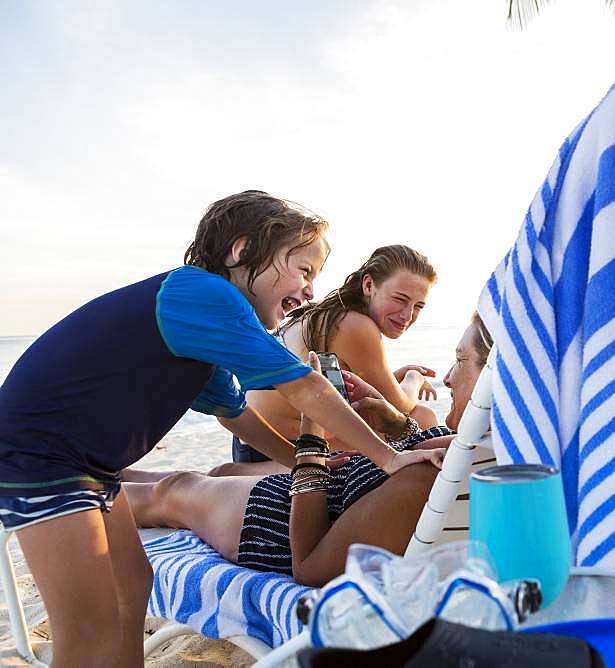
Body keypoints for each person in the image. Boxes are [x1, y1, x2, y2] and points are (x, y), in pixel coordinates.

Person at [0, 190, 444, 667]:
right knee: (89, 625)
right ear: (240, 251)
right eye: (303, 270)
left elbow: (237, 416)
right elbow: (305, 386)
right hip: (39, 457)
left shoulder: (201, 330)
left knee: (133, 588)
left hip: (87, 465)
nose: (311, 289)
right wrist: (391, 457)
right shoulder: (203, 294)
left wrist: (299, 459)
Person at [126, 313, 493, 586]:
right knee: (220, 472)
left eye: (461, 361)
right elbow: (425, 449)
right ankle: (107, 472)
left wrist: (313, 429)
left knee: (173, 491)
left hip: (279, 525)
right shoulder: (490, 449)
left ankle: (78, 496)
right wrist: (398, 423)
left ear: (495, 379)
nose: (446, 377)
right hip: (331, 488)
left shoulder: (424, 481)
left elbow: (310, 567)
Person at [223, 245, 440, 473]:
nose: (408, 315)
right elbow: (399, 405)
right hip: (282, 449)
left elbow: (341, 389)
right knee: (422, 418)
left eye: (418, 306)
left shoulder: (325, 314)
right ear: (368, 285)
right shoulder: (357, 325)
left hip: (251, 444)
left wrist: (394, 379)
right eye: (400, 299)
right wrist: (413, 378)